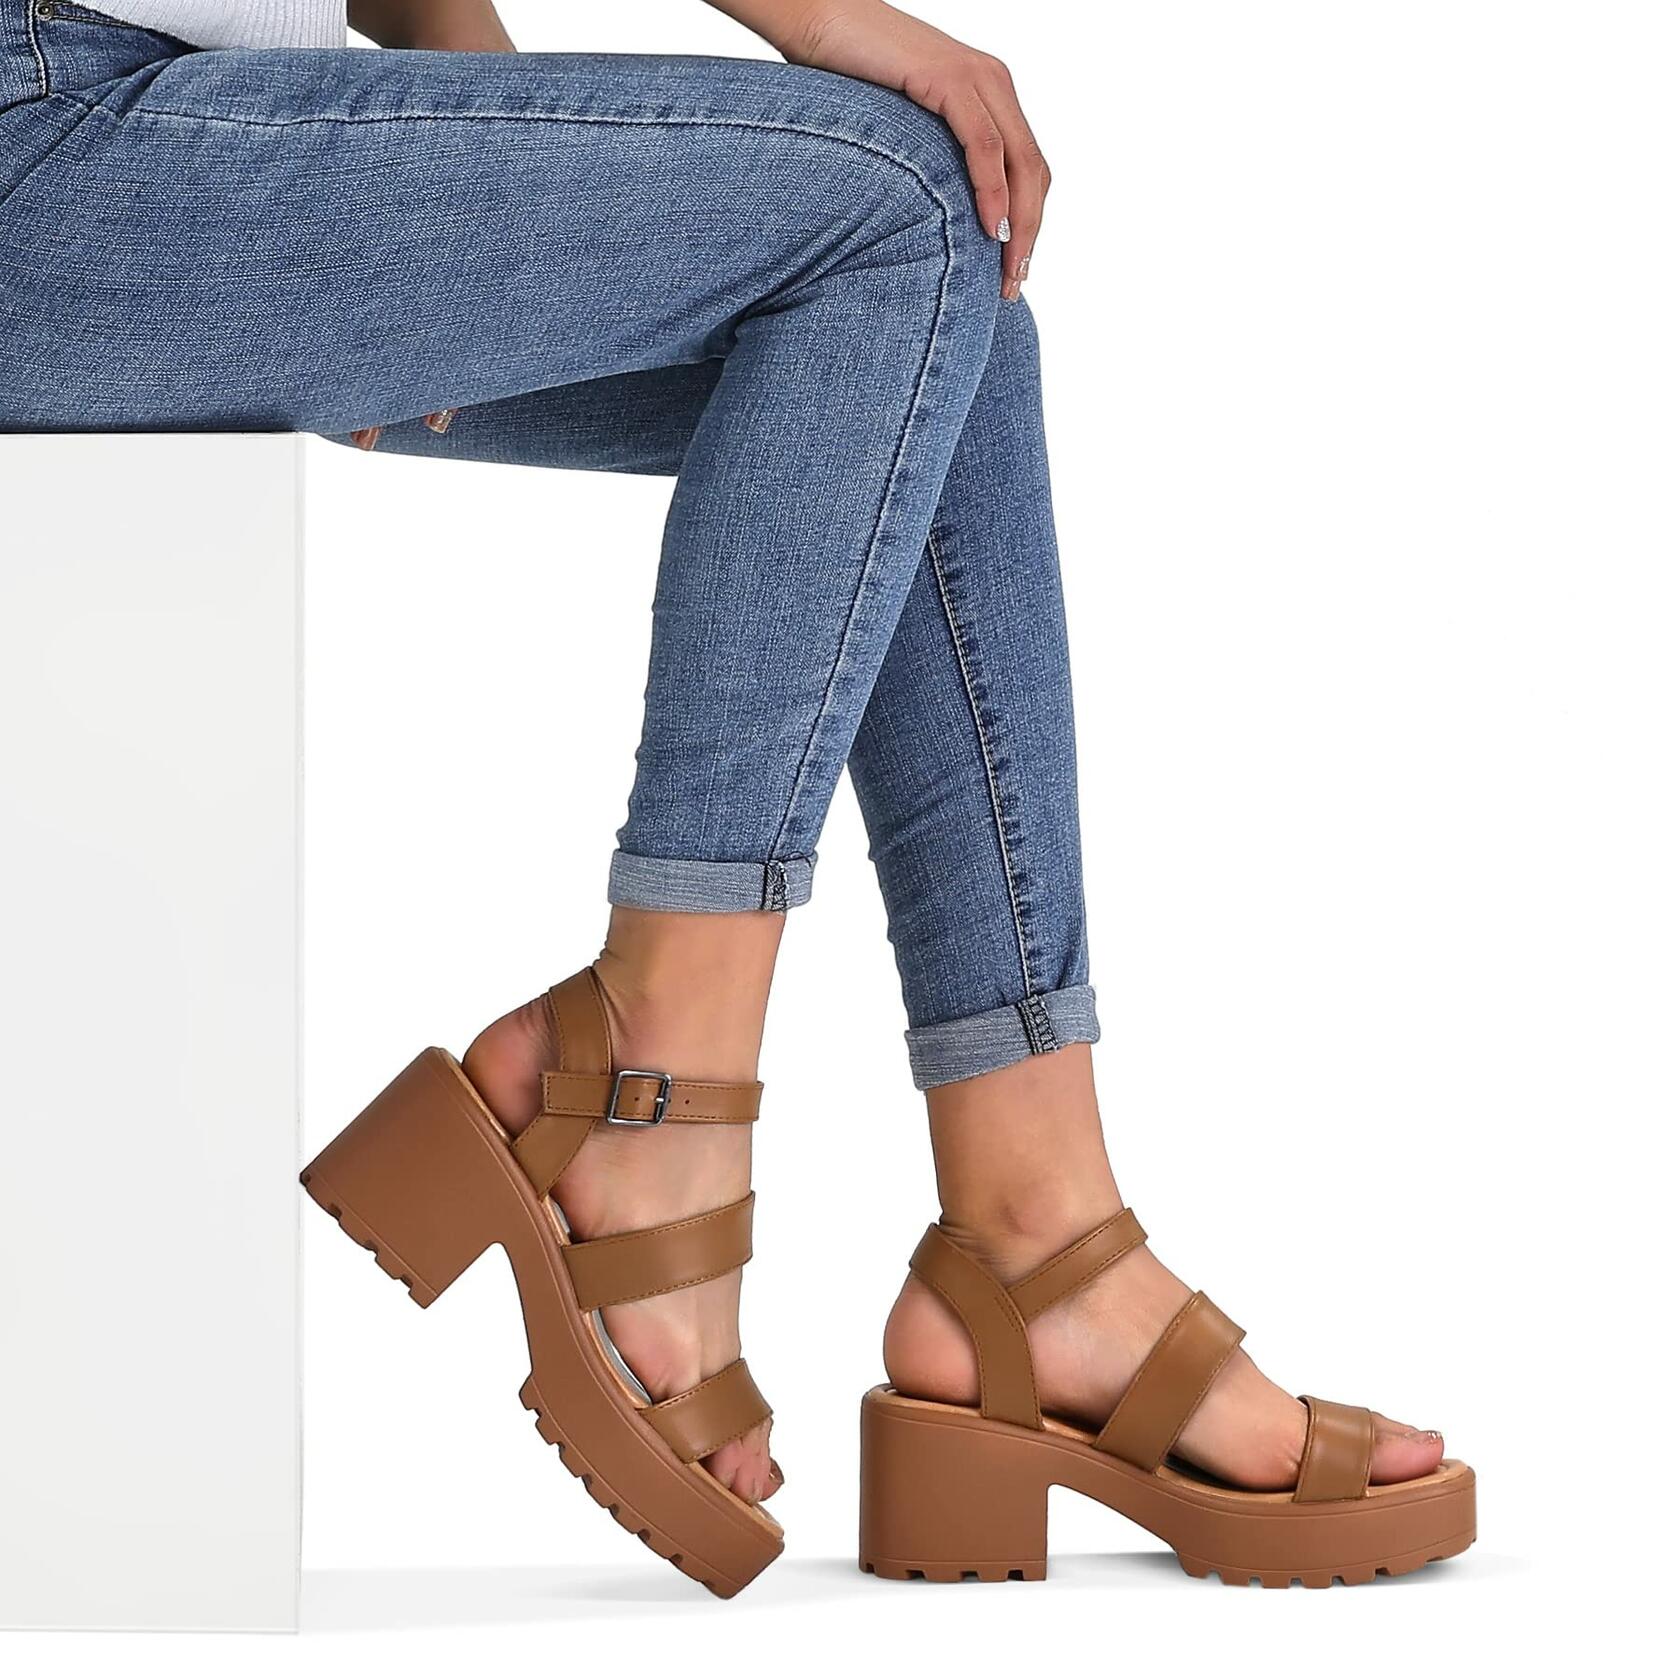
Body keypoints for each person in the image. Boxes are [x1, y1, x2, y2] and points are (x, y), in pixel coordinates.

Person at [1, 0, 1472, 1596]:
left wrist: (490, 194)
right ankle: (651, 1078)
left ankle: (1037, 1237)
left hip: (178, 126)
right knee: (902, 200)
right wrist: (828, 21)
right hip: (52, 143)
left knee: (954, 322)